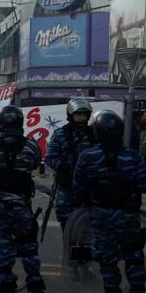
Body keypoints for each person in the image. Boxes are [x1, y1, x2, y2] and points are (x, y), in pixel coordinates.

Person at [73, 111, 146, 293]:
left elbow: (78, 188)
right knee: (133, 255)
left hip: (100, 215)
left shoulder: (88, 156)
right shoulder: (132, 156)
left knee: (106, 257)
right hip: (127, 215)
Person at [0, 105, 46, 293]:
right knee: (28, 245)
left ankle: (7, 286)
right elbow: (34, 164)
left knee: (2, 245)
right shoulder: (31, 146)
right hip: (21, 204)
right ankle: (35, 283)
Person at [45, 98, 96, 230]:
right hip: (67, 187)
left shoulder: (94, 134)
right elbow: (50, 157)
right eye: (78, 114)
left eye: (84, 114)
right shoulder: (60, 134)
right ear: (71, 115)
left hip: (90, 187)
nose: (81, 117)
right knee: (66, 223)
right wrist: (63, 167)